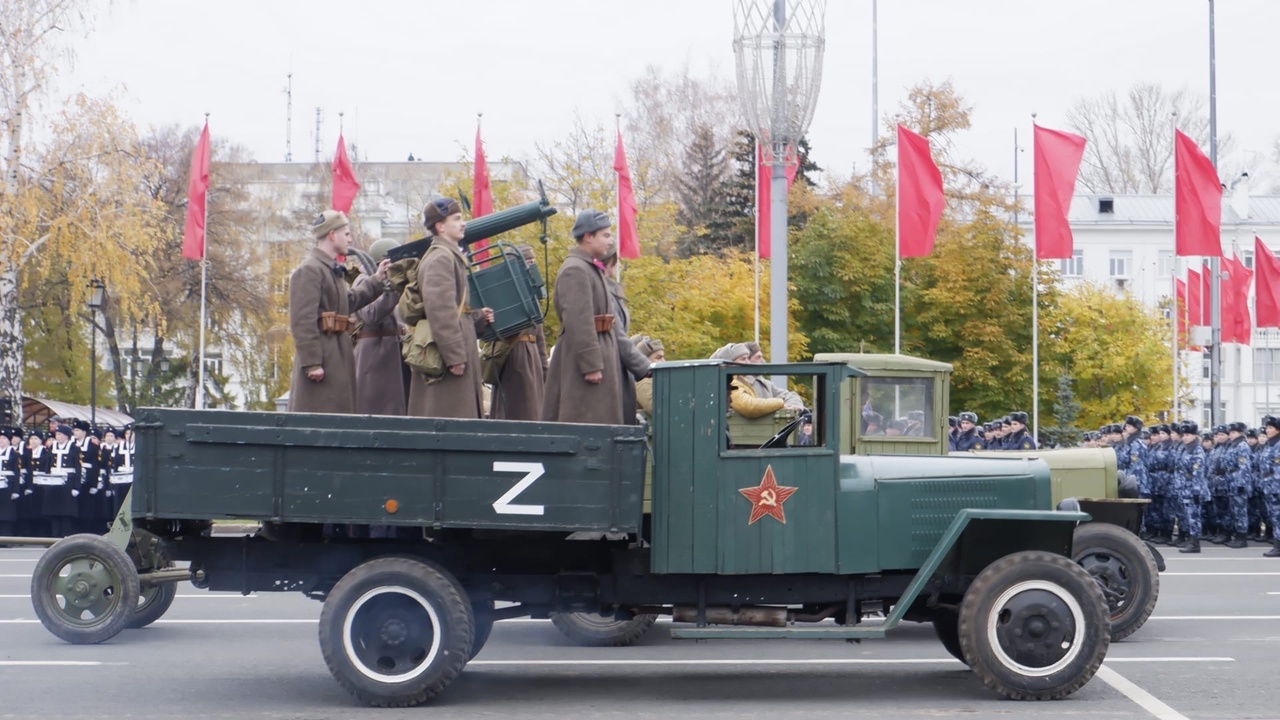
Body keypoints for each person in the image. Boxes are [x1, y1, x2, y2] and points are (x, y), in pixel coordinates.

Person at [288, 210, 390, 414]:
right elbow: (302, 321)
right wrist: (312, 363)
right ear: (332, 235)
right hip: (324, 357)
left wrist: (377, 279)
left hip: (338, 353)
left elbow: (349, 301)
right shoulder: (310, 270)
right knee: (320, 419)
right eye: (346, 233)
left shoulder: (331, 270)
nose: (350, 238)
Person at [407, 199, 495, 419]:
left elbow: (454, 309)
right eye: (456, 219)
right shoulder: (441, 258)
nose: (463, 223)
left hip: (455, 347)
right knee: (449, 417)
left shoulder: (447, 256)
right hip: (449, 357)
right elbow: (440, 312)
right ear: (440, 226)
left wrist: (477, 318)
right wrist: (454, 356)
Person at [542, 210, 623, 425]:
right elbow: (579, 321)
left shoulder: (587, 267)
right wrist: (591, 365)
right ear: (588, 236)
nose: (610, 241)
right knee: (585, 422)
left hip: (599, 350)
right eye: (605, 235)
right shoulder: (575, 270)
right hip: (582, 363)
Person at [489, 245, 550, 421]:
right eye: (527, 262)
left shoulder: (531, 293)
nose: (531, 266)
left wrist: (544, 371)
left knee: (534, 410)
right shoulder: (503, 292)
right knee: (517, 410)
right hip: (514, 356)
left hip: (531, 357)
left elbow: (539, 339)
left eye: (533, 262)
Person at [353, 238, 409, 416]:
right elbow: (371, 314)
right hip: (374, 357)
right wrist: (393, 289)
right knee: (373, 411)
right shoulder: (363, 281)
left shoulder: (396, 281)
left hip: (395, 352)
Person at [601, 246, 651, 425]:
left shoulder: (609, 290)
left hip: (617, 368)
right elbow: (618, 336)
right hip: (610, 370)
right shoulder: (603, 292)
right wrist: (646, 367)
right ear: (611, 262)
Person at [43, 424, 81, 539]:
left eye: (60, 434)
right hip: (53, 482)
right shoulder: (52, 447)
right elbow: (47, 465)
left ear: (66, 436)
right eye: (56, 434)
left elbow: (78, 468)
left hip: (67, 482)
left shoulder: (74, 448)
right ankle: (54, 536)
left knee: (66, 513)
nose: (57, 437)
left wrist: (76, 487)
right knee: (54, 511)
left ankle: (66, 536)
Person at [1175, 421, 1208, 553]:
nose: (1185, 437)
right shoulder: (1184, 448)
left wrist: (1196, 491)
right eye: (1183, 435)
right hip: (1184, 488)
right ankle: (1190, 540)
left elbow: (1198, 473)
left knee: (1194, 516)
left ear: (1195, 435)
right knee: (1188, 516)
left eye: (1188, 434)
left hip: (1193, 489)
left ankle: (1195, 543)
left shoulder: (1197, 450)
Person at [1223, 421, 1254, 548]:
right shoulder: (1232, 445)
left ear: (1240, 433)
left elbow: (1244, 467)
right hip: (1231, 480)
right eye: (1230, 432)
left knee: (1240, 510)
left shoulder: (1242, 446)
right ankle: (1237, 535)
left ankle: (1242, 538)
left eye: (1234, 432)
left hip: (1238, 481)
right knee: (1234, 510)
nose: (1231, 434)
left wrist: (1241, 484)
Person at [631, 335, 665, 417]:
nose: (664, 362)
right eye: (658, 357)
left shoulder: (657, 381)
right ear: (643, 360)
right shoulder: (643, 383)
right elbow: (660, 411)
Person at [0, 430, 17, 537]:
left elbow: (17, 472)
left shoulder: (14, 453)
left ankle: (7, 536)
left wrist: (16, 490)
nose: (1, 440)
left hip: (8, 485)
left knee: (7, 512)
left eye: (4, 438)